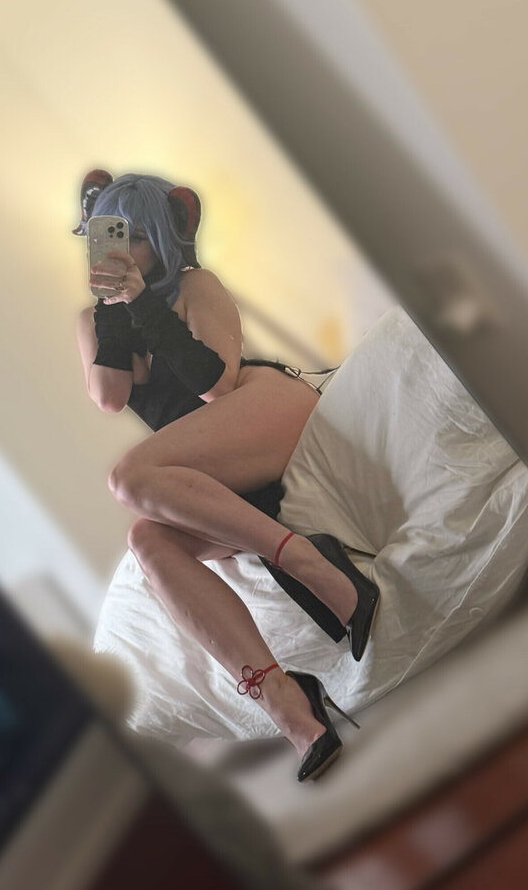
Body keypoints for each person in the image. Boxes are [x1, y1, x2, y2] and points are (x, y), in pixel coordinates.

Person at [75, 171, 379, 780]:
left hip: (261, 411)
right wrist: (115, 311)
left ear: (165, 236)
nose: (125, 249)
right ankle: (288, 705)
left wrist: (144, 302)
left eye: (137, 236)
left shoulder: (195, 286)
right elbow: (109, 397)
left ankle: (308, 562)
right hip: (212, 473)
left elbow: (218, 385)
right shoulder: (95, 320)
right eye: (112, 235)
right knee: (146, 539)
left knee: (129, 478)